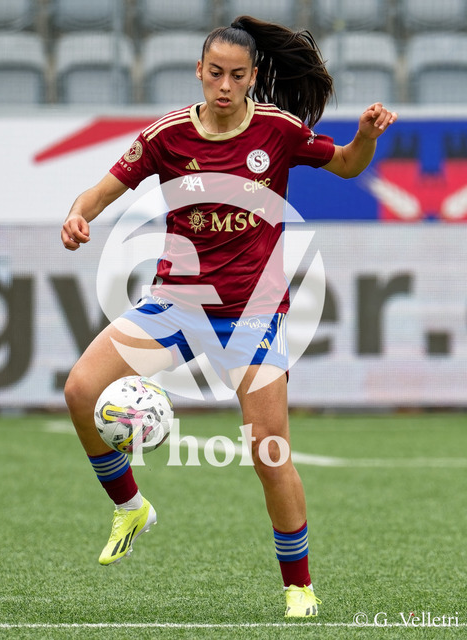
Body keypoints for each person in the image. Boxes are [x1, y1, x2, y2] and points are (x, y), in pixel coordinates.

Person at [61, 15, 397, 619]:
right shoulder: (165, 136)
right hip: (177, 304)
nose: (224, 85)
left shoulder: (277, 130)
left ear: (253, 77)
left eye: (237, 76)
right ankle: (130, 506)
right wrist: (77, 215)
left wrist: (366, 135)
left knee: (270, 453)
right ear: (199, 70)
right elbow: (100, 192)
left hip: (254, 316)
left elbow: (348, 164)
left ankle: (299, 587)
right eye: (215, 72)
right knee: (81, 389)